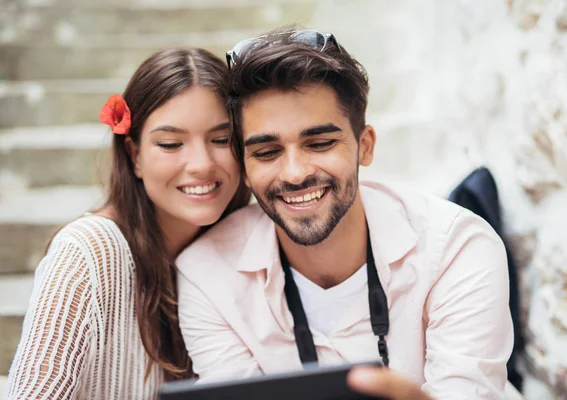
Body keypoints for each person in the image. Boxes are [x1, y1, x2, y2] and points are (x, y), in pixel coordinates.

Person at [176, 28, 514, 399]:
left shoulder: (457, 248)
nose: (295, 173)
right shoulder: (206, 273)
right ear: (243, 162)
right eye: (267, 152)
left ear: (365, 146)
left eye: (319, 143)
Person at [5, 48, 250, 399]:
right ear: (134, 155)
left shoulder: (247, 243)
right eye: (171, 143)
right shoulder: (87, 251)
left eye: (222, 139)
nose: (201, 164)